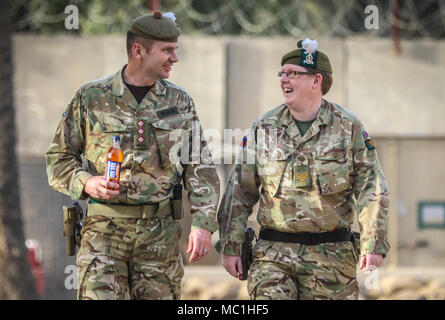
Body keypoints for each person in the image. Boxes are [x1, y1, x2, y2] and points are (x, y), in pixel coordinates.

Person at [46, 11, 220, 300]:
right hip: (103, 235)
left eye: (174, 50)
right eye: (167, 51)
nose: (174, 58)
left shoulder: (179, 102)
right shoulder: (91, 97)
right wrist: (87, 182)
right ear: (138, 51)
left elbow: (199, 167)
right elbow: (58, 158)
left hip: (159, 238)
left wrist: (203, 224)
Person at [216, 39, 390, 300]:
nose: (283, 79)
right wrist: (231, 244)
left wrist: (373, 243)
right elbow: (240, 189)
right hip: (273, 255)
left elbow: (371, 187)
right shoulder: (264, 126)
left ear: (316, 81)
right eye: (281, 73)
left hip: (332, 259)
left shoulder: (348, 127)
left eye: (292, 73)